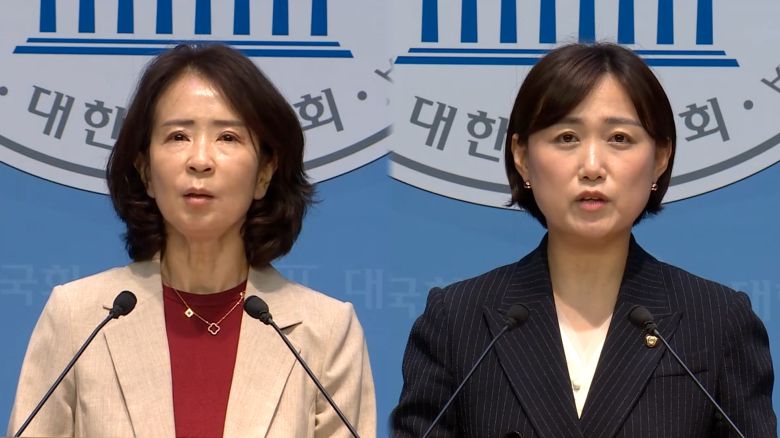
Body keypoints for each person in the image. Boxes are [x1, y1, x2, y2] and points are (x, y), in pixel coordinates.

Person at [391, 43, 775, 437]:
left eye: (619, 138)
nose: (592, 167)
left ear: (660, 158)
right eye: (567, 137)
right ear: (522, 157)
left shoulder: (718, 321)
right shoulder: (457, 322)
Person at [8, 44, 375, 438]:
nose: (200, 160)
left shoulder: (327, 331)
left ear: (265, 173)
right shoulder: (78, 318)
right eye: (178, 136)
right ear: (145, 170)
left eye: (228, 137)